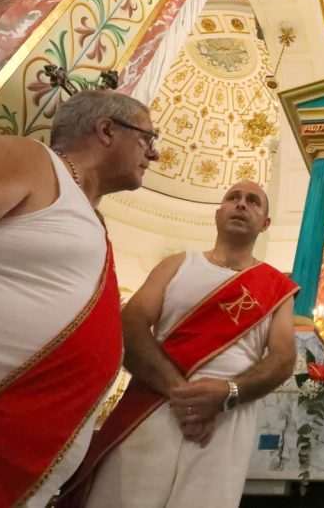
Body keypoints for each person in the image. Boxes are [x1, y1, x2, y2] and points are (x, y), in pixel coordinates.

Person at [0, 90, 158, 506]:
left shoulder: (88, 218)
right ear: (106, 130)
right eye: (147, 139)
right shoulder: (30, 162)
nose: (153, 155)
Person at [60, 180, 298, 507]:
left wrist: (227, 393)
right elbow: (131, 324)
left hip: (227, 418)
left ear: (265, 223)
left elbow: (283, 358)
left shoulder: (277, 287)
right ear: (218, 212)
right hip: (155, 402)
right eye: (233, 198)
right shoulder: (177, 264)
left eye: (253, 201)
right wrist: (181, 393)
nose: (241, 204)